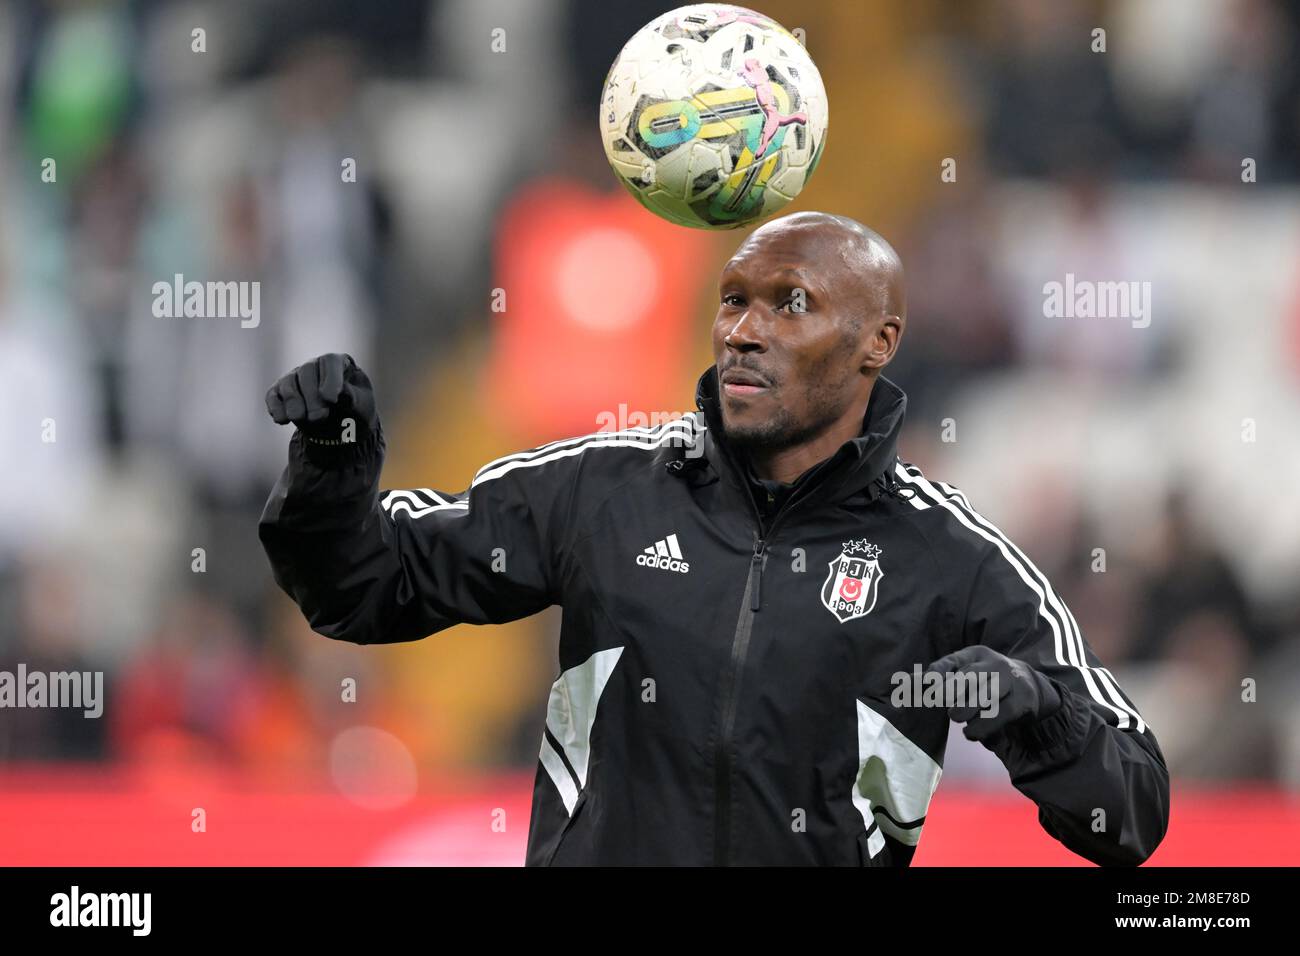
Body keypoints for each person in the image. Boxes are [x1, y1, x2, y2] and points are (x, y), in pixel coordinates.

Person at [259, 211, 1169, 866]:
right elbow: (357, 591)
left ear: (877, 341)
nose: (742, 332)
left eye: (790, 304)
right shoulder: (602, 490)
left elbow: (1131, 817)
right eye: (733, 300)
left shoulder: (950, 559)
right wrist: (333, 466)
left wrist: (1036, 714)